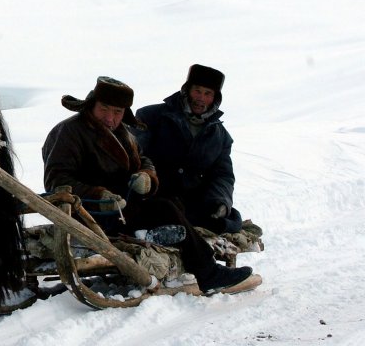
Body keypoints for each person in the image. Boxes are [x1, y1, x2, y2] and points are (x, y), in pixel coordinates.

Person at [41, 76, 253, 294]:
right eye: (104, 109)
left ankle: (168, 247)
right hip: (88, 214)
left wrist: (146, 175)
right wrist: (99, 195)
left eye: (117, 112)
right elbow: (56, 180)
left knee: (171, 204)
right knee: (166, 208)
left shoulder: (122, 133)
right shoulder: (69, 132)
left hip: (123, 210)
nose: (110, 118)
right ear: (92, 104)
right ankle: (208, 273)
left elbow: (143, 159)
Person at [133, 64, 243, 234]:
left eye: (208, 94)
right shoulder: (151, 116)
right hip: (154, 195)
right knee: (167, 213)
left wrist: (220, 202)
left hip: (191, 203)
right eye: (197, 91)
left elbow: (223, 176)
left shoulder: (221, 137)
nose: (201, 98)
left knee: (232, 219)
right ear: (187, 90)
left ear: (215, 98)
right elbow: (135, 151)